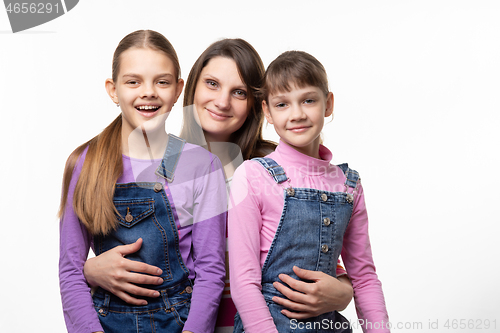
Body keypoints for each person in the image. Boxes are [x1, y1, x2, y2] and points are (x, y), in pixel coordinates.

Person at [82, 39, 355, 332]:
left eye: (239, 92)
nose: (223, 101)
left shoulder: (272, 166)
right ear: (189, 88)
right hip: (180, 323)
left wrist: (343, 291)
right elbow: (135, 246)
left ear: (257, 104)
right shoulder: (160, 162)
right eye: (212, 84)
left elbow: (316, 245)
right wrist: (90, 270)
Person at [58, 30, 227, 333]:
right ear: (113, 90)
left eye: (161, 82)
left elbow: (211, 273)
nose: (148, 92)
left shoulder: (203, 166)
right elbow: (71, 271)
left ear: (178, 90)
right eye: (133, 81)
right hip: (104, 323)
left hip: (180, 322)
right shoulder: (85, 163)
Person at [228, 50, 389, 332]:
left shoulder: (348, 185)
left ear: (328, 104)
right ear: (267, 111)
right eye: (282, 104)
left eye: (309, 100)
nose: (297, 114)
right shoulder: (253, 176)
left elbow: (363, 277)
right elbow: (244, 281)